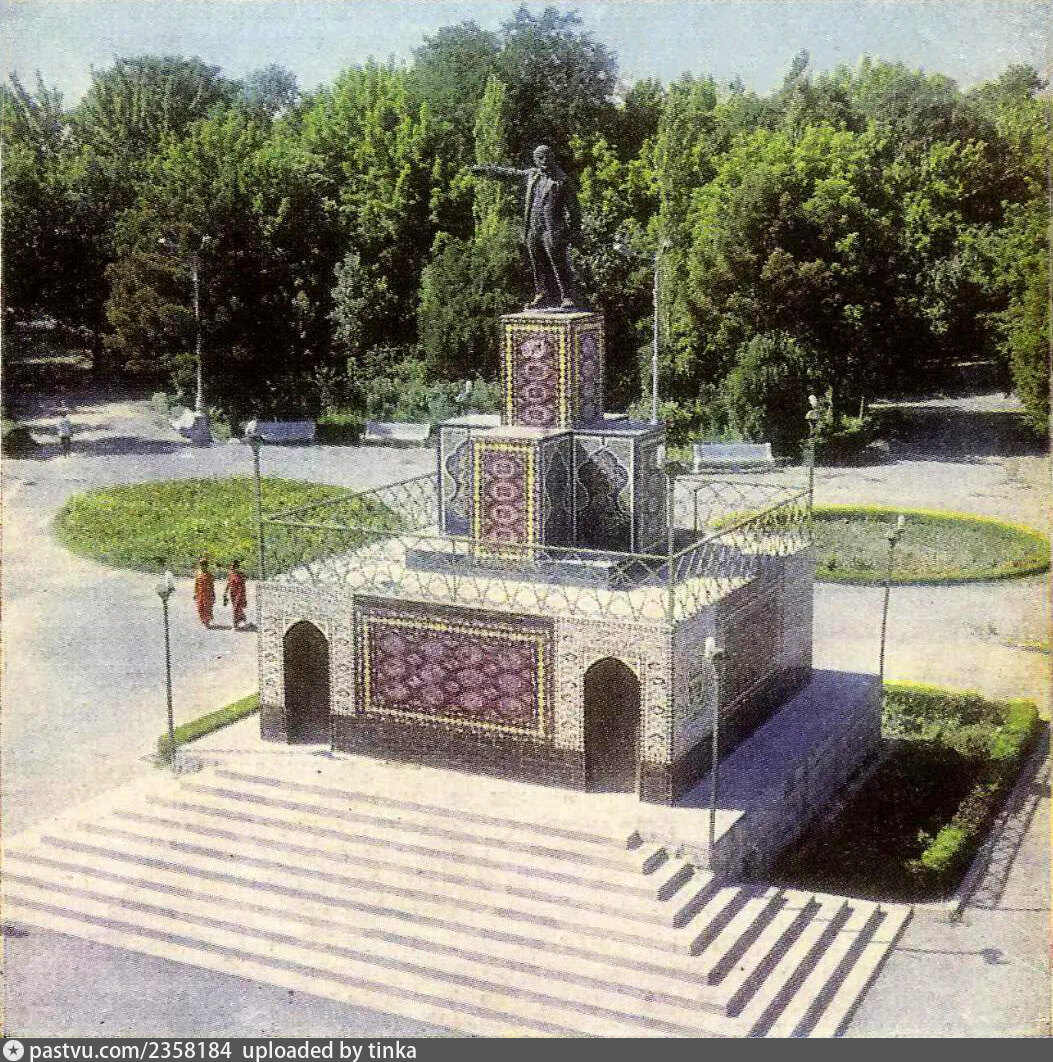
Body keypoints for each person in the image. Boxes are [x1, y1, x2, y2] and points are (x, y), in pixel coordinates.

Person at [472, 144, 581, 310]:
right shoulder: (532, 175)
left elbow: (575, 209)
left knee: (558, 262)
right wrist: (485, 170)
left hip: (552, 229)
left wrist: (574, 232)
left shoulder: (562, 180)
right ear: (535, 160)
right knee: (537, 263)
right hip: (533, 227)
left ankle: (567, 296)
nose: (544, 160)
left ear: (553, 157)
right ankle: (542, 294)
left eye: (547, 156)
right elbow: (509, 174)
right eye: (540, 158)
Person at [223, 558, 248, 630]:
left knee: (236, 608)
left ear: (237, 566)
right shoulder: (230, 575)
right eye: (232, 566)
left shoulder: (241, 575)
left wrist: (242, 595)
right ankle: (243, 618)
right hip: (233, 594)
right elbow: (228, 584)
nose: (233, 568)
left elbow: (243, 584)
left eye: (234, 566)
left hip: (240, 594)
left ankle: (235, 625)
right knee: (237, 608)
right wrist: (225, 593)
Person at [193, 557, 215, 628]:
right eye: (202, 564)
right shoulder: (198, 574)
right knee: (200, 608)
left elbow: (212, 586)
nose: (203, 566)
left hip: (208, 594)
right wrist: (195, 593)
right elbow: (196, 584)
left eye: (204, 564)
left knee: (207, 608)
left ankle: (207, 622)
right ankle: (203, 619)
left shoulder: (210, 575)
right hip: (200, 594)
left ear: (207, 565)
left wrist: (213, 595)